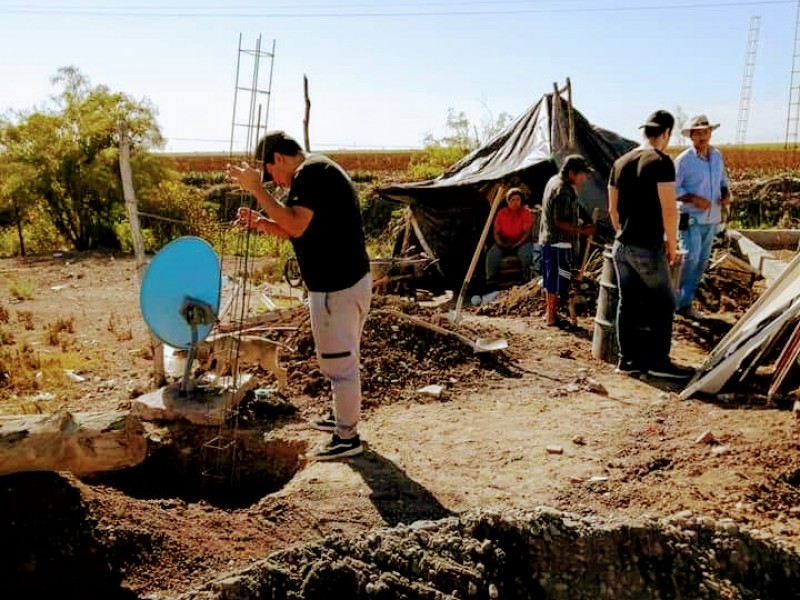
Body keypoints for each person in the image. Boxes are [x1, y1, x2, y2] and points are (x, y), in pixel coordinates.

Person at [227, 131, 371, 460]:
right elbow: (298, 227)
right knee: (343, 359)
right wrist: (262, 223)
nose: (275, 183)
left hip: (338, 288)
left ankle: (347, 437)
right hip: (347, 284)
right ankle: (341, 417)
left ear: (278, 158)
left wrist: (257, 190)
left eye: (270, 175)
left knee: (339, 365)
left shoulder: (310, 175)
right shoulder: (317, 172)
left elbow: (295, 226)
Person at [607, 110, 693, 380]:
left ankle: (626, 360)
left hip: (621, 247)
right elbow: (669, 209)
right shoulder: (661, 161)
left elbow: (612, 211)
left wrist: (624, 232)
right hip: (647, 246)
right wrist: (670, 242)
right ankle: (658, 362)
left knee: (627, 303)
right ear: (665, 133)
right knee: (664, 302)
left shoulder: (620, 162)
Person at [675, 115, 731, 320]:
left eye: (705, 132)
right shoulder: (683, 160)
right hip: (691, 218)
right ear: (691, 136)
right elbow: (672, 189)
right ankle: (675, 302)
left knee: (702, 262)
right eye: (698, 133)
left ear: (710, 134)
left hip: (712, 218)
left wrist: (726, 194)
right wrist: (692, 198)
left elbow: (723, 181)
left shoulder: (717, 156)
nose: (702, 137)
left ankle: (685, 304)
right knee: (690, 258)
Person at [538, 154, 594, 327]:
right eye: (582, 174)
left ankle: (550, 313)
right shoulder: (563, 189)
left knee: (551, 278)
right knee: (555, 279)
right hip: (558, 242)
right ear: (571, 173)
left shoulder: (554, 181)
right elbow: (558, 221)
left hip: (549, 240)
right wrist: (582, 230)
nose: (584, 178)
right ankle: (551, 317)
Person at [485, 187, 535, 286]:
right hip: (504, 242)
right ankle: (491, 280)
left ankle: (527, 280)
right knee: (492, 254)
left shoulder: (525, 213)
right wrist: (500, 243)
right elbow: (496, 232)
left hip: (522, 242)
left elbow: (526, 233)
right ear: (508, 201)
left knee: (526, 255)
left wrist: (517, 244)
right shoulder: (501, 213)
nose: (515, 202)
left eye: (518, 200)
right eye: (512, 200)